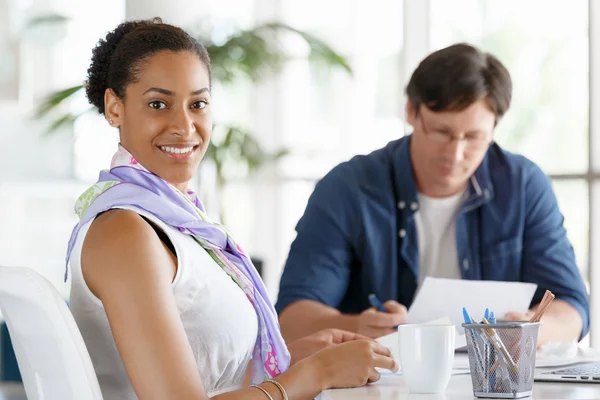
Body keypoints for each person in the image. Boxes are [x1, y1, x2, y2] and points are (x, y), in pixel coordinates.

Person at [66, 18, 397, 400]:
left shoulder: (173, 219)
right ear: (114, 108)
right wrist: (316, 374)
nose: (185, 126)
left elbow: (210, 378)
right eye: (158, 104)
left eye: (198, 104)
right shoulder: (125, 231)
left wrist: (300, 359)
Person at [276, 43, 590, 346]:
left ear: (495, 126)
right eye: (441, 132)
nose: (455, 154)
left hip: (495, 382)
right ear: (411, 111)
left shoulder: (523, 186)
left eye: (474, 137)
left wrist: (534, 330)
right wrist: (358, 326)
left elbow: (572, 307)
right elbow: (292, 320)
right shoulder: (348, 188)